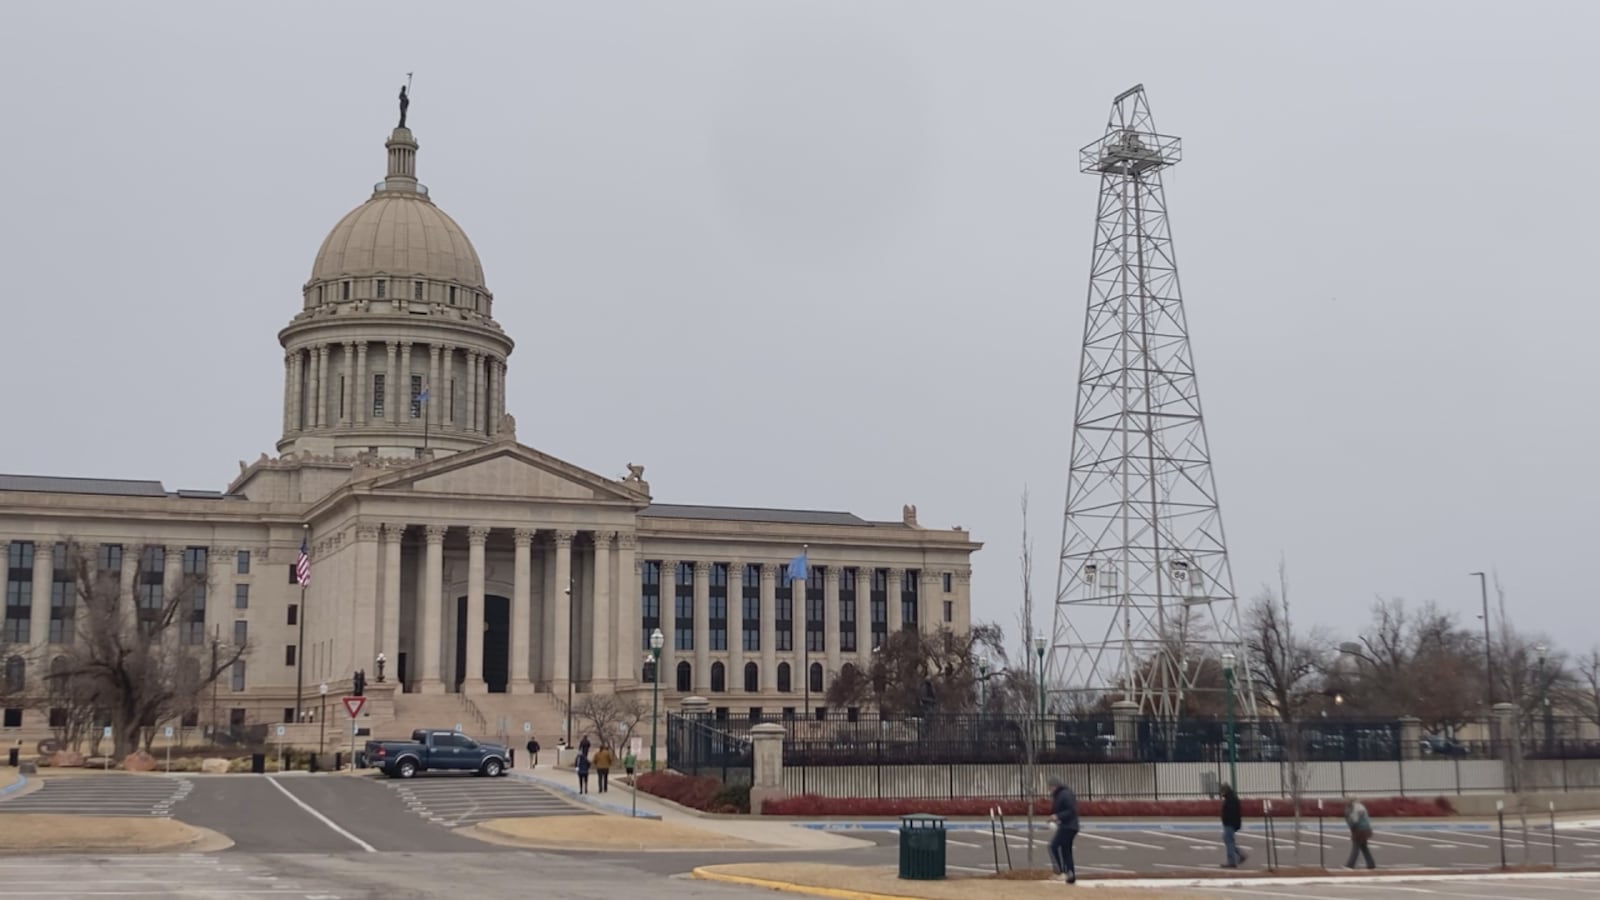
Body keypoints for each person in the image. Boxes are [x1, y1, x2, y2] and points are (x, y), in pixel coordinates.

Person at [1047, 775, 1079, 884]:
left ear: (1054, 786)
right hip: (1069, 826)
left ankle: (1060, 871)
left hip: (1068, 826)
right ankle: (1070, 875)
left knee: (1053, 846)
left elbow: (1071, 810)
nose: (1049, 790)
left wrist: (1057, 816)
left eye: (1050, 787)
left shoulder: (1064, 794)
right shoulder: (1061, 794)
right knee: (1066, 850)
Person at [1219, 783, 1249, 868]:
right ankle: (1240, 854)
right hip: (1230, 823)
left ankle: (1231, 861)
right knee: (1228, 840)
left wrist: (1226, 820)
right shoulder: (1231, 798)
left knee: (1229, 841)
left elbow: (1231, 813)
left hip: (1230, 823)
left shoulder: (1231, 800)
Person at [1343, 797, 1375, 869]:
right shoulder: (1360, 806)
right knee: (1364, 847)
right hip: (1364, 829)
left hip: (1360, 830)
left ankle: (1350, 864)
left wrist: (1350, 823)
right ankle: (1371, 864)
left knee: (1356, 847)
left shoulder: (1357, 808)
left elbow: (1355, 820)